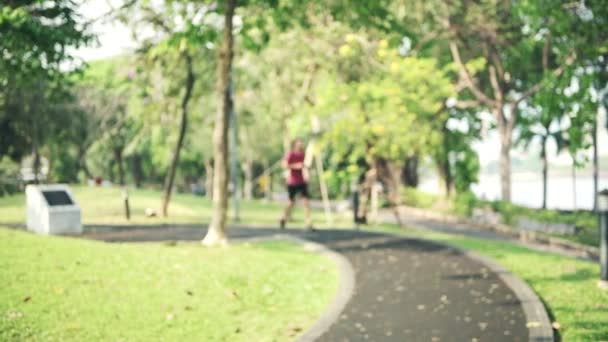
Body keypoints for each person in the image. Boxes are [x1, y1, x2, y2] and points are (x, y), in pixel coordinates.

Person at [280, 138, 313, 230]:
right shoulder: (291, 154)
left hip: (302, 181)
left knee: (306, 202)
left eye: (302, 143)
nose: (301, 144)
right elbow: (284, 165)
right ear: (295, 144)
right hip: (293, 181)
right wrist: (296, 166)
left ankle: (308, 222)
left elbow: (306, 166)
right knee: (291, 202)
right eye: (299, 143)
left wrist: (307, 172)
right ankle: (283, 217)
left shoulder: (304, 155)